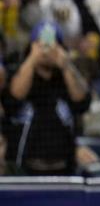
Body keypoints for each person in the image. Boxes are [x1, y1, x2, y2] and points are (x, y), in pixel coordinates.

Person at [5, 21, 90, 175]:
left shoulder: (66, 78)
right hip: (25, 169)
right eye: (41, 44)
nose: (46, 50)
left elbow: (82, 101)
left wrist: (66, 65)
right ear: (31, 47)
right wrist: (32, 60)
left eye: (52, 44)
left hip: (64, 169)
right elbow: (13, 98)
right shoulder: (19, 73)